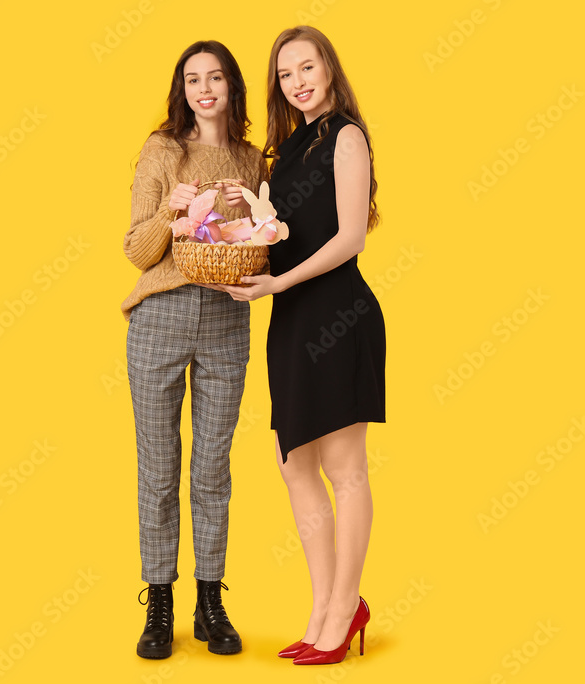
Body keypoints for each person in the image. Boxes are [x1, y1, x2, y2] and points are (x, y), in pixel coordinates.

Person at [222, 26, 385, 666]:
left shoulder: (346, 135)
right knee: (296, 468)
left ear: (329, 69)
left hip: (337, 314)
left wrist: (277, 282)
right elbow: (279, 229)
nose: (298, 81)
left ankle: (345, 610)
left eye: (307, 67)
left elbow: (350, 238)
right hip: (288, 318)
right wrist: (245, 211)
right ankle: (321, 608)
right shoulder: (285, 150)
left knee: (345, 471)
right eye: (286, 74)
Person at [121, 40, 268, 659]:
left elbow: (259, 242)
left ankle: (210, 600)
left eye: (215, 78)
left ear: (232, 86)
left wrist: (249, 217)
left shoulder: (252, 159)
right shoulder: (162, 151)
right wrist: (173, 221)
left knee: (212, 468)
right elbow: (135, 249)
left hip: (227, 320)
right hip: (160, 313)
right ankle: (159, 601)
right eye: (192, 80)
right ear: (181, 90)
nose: (204, 89)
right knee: (158, 468)